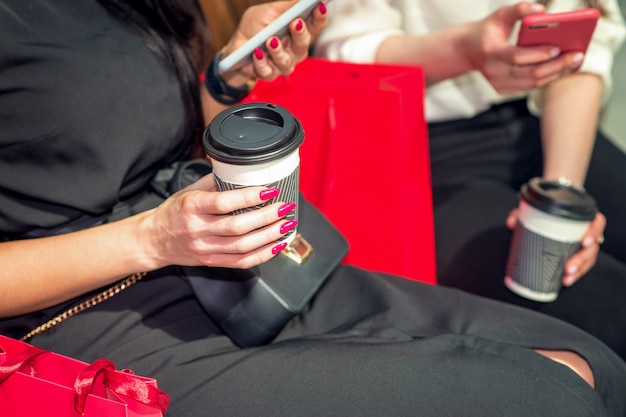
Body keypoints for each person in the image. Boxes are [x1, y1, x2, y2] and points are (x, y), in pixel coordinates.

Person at [1, 1, 626, 415]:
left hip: (219, 261)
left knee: (588, 366)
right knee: (543, 396)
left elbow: (157, 131)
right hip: (82, 319)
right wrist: (151, 238)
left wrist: (228, 81)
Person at [314, 0, 626, 358]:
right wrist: (463, 49)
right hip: (423, 141)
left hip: (551, 116)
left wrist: (561, 196)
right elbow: (345, 50)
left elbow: (584, 38)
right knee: (608, 308)